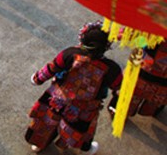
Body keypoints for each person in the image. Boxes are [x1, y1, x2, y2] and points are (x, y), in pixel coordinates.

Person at [25, 21, 122, 154]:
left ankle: (39, 144)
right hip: (84, 108)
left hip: (57, 98)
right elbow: (118, 86)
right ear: (106, 46)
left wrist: (37, 79)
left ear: (83, 38)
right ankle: (75, 146)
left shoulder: (70, 53)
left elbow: (51, 68)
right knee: (77, 129)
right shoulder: (112, 69)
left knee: (47, 122)